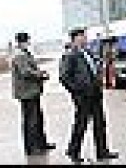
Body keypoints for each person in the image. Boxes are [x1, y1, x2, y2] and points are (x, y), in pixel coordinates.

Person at [60, 28, 118, 163]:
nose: (85, 39)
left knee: (100, 124)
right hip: (83, 96)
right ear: (75, 38)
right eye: (83, 36)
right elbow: (64, 77)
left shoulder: (88, 52)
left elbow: (96, 66)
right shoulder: (70, 55)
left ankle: (102, 152)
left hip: (95, 93)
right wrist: (77, 92)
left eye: (85, 36)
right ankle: (73, 151)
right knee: (81, 125)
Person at [10, 32, 56, 156]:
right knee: (31, 121)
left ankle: (41, 143)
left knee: (37, 118)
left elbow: (30, 69)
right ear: (23, 41)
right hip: (26, 93)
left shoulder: (23, 53)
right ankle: (32, 148)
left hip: (31, 92)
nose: (29, 42)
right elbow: (26, 72)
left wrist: (39, 72)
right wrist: (40, 75)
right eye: (28, 40)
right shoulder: (19, 54)